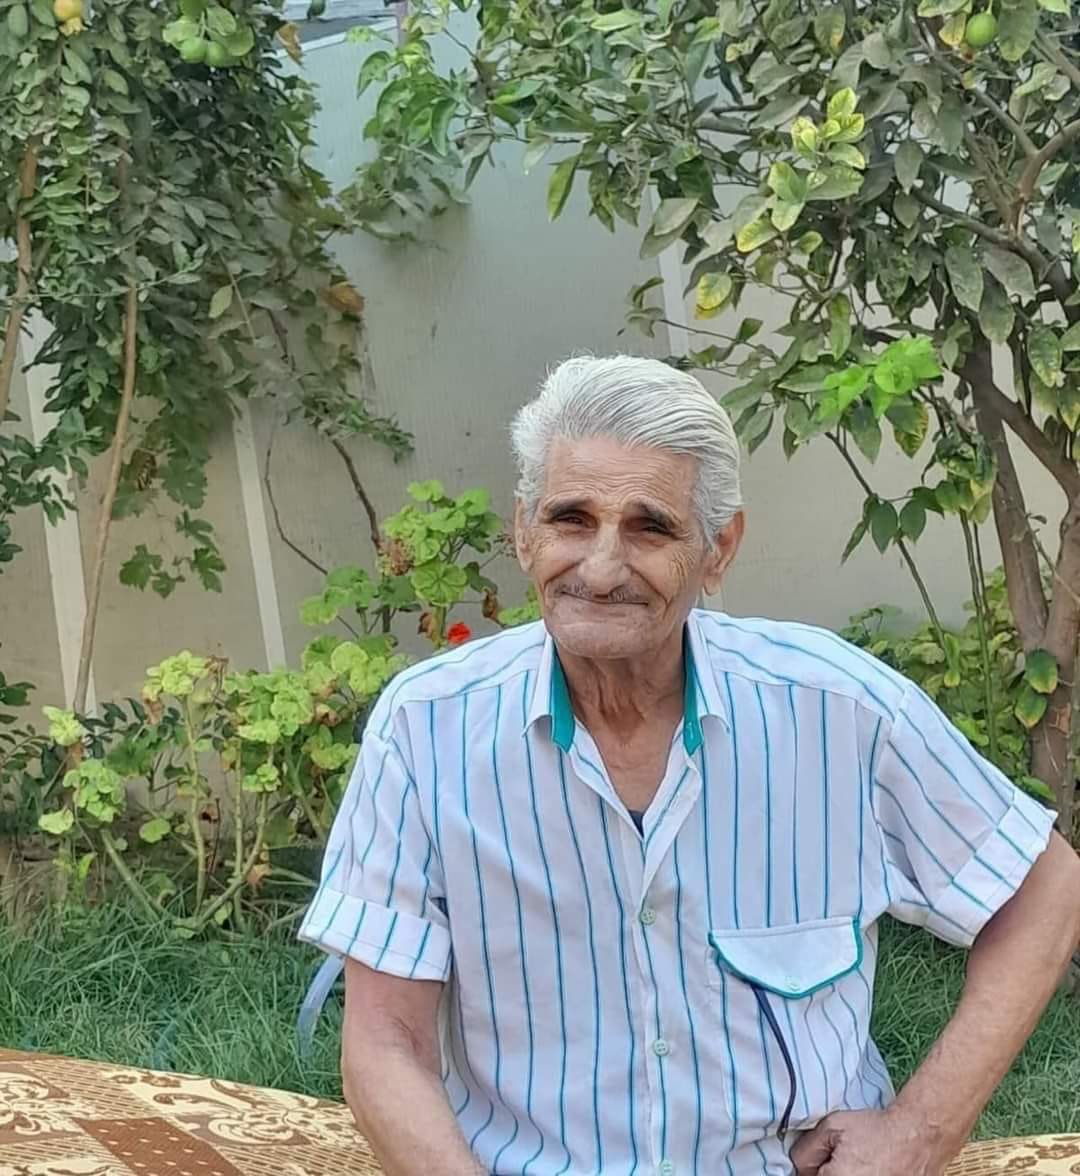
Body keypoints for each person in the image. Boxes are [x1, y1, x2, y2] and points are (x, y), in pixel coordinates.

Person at [299, 355, 1080, 1176]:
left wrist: (918, 1133)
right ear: (524, 532)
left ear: (718, 549)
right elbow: (386, 1041)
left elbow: (1047, 891)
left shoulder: (839, 710)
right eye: (571, 519)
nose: (602, 568)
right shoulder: (426, 729)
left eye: (651, 528)